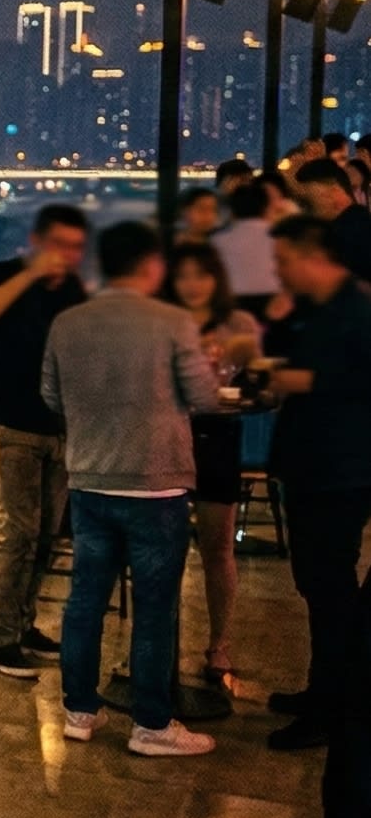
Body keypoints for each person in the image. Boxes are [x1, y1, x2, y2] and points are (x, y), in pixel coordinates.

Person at [43, 222, 225, 754]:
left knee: (84, 601)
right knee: (154, 607)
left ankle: (79, 710)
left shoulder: (68, 322)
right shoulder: (173, 322)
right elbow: (204, 394)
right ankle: (151, 725)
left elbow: (51, 396)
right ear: (150, 266)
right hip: (157, 485)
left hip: (91, 481)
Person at [255, 217, 371, 752]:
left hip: (338, 472)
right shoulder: (319, 310)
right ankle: (323, 692)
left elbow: (333, 382)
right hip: (316, 468)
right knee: (317, 586)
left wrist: (273, 376)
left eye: (282, 262)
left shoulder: (355, 311)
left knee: (329, 590)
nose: (277, 272)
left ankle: (331, 706)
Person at [0, 205, 92, 678]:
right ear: (38, 242)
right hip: (9, 424)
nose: (68, 255)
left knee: (45, 536)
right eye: (59, 244)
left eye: (75, 246)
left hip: (59, 428)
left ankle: (22, 624)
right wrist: (30, 275)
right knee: (16, 532)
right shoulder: (6, 274)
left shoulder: (76, 293)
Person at [160, 242, 262, 688]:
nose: (193, 284)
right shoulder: (163, 323)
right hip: (169, 437)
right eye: (184, 275)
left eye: (202, 275)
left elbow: (260, 382)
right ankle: (157, 646)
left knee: (218, 546)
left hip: (218, 436)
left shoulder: (238, 323)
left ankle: (218, 644)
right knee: (162, 547)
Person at [215, 176, 295, 306]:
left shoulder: (217, 240)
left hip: (231, 303)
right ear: (266, 207)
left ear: (233, 210)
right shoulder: (281, 238)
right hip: (275, 302)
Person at [295, 156, 371, 281]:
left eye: (310, 199)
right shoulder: (357, 224)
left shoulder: (349, 234)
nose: (308, 207)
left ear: (334, 192)